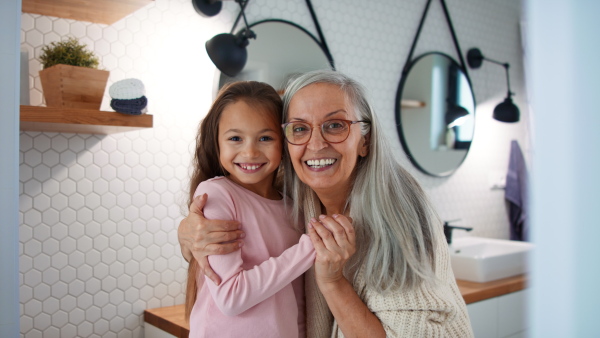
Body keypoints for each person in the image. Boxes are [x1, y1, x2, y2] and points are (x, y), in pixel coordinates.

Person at [179, 70, 474, 337]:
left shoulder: (400, 210)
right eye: (299, 128)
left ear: (365, 140)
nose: (316, 144)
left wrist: (333, 282)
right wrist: (188, 232)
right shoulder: (294, 192)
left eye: (335, 125)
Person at [184, 81, 315, 338]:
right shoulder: (217, 195)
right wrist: (312, 246)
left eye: (265, 138)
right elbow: (232, 298)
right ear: (217, 142)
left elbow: (293, 301)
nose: (250, 151)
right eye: (235, 138)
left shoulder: (293, 206)